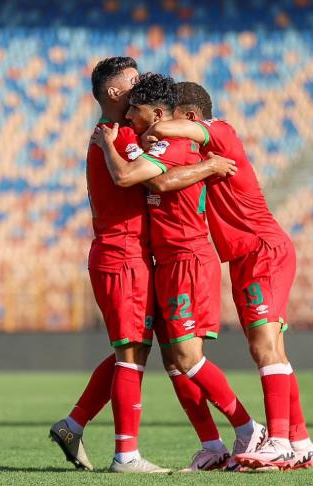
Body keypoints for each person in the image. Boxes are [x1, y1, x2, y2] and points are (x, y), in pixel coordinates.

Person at [48, 58, 235, 474]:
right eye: (131, 81)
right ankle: (126, 454)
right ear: (114, 93)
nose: (138, 85)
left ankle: (74, 424)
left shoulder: (121, 133)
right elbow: (139, 178)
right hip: (124, 255)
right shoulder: (115, 135)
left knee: (136, 351)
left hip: (135, 257)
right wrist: (208, 160)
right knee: (131, 354)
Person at [139, 81, 313, 471]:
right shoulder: (198, 152)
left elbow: (174, 131)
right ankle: (300, 440)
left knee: (263, 346)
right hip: (246, 256)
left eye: (173, 116)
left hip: (260, 250)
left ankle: (279, 442)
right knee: (274, 349)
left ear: (188, 116)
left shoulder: (220, 131)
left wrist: (153, 124)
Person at [94, 73, 266, 472]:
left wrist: (109, 145)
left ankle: (247, 427)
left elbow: (137, 177)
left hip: (188, 259)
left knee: (187, 357)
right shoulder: (154, 143)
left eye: (135, 111)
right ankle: (212, 446)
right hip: (167, 262)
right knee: (174, 361)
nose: (130, 118)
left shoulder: (173, 144)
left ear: (155, 112)